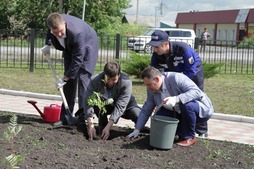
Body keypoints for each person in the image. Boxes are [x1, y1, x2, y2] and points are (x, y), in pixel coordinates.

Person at [127, 66, 214, 147]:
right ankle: (177, 134)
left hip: (200, 110)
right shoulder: (152, 89)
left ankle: (189, 137)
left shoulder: (176, 78)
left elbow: (197, 92)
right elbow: (147, 109)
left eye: (149, 85)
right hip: (179, 112)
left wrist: (177, 98)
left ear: (157, 79)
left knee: (186, 105)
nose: (148, 88)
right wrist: (137, 129)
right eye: (146, 85)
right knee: (160, 114)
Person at [42, 13, 99, 126]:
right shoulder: (53, 23)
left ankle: (83, 118)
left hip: (87, 46)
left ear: (64, 23)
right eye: (55, 32)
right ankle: (65, 118)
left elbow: (78, 59)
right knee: (68, 84)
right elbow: (51, 32)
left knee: (83, 81)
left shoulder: (77, 32)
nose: (58, 34)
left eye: (60, 31)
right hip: (69, 47)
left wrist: (65, 78)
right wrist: (47, 44)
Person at [149, 30, 208, 137]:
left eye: (157, 47)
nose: (155, 50)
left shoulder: (183, 49)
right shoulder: (156, 56)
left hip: (193, 74)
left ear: (166, 44)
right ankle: (181, 128)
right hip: (173, 78)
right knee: (175, 101)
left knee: (195, 99)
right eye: (153, 47)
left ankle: (202, 130)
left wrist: (179, 84)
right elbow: (154, 74)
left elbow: (191, 70)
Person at [84, 62, 141, 140]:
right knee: (97, 105)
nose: (110, 82)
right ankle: (102, 126)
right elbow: (88, 100)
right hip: (106, 104)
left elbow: (120, 106)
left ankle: (140, 129)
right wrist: (90, 125)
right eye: (108, 79)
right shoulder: (95, 80)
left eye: (114, 79)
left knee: (138, 115)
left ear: (119, 75)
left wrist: (109, 127)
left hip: (127, 105)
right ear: (104, 74)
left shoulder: (126, 82)